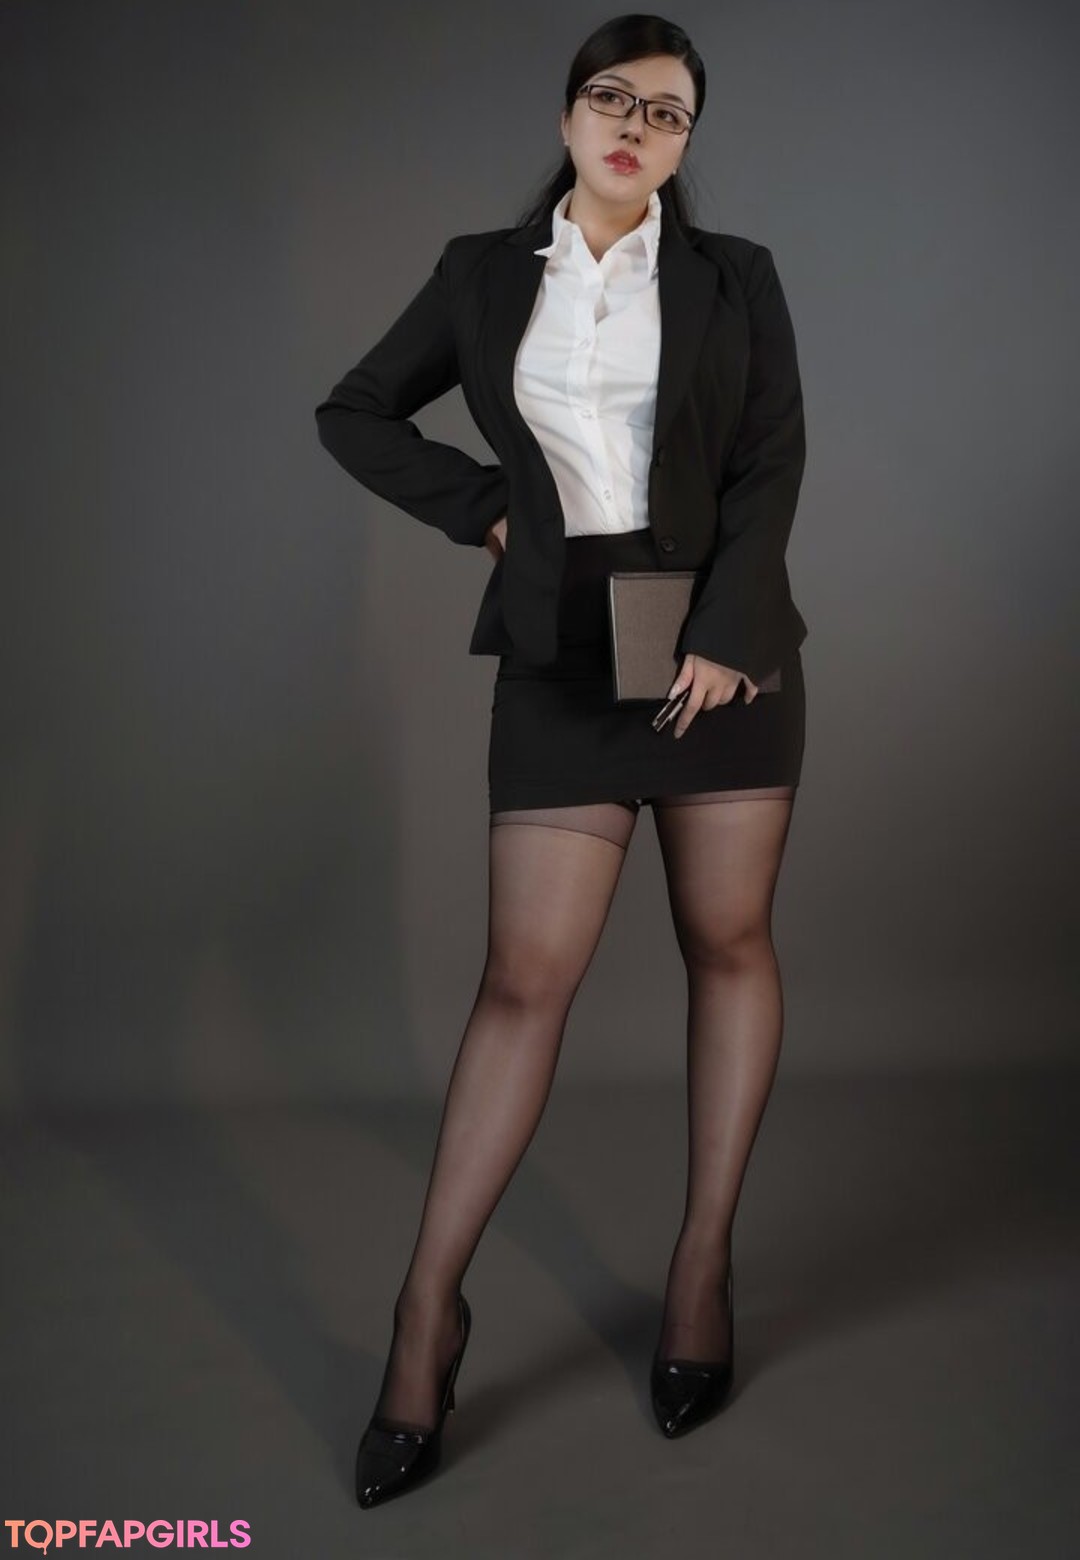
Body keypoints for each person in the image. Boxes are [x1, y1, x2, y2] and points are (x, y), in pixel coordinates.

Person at [315, 12, 809, 1509]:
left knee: (727, 942)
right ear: (568, 115)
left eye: (667, 113)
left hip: (714, 640)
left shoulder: (735, 276)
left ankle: (702, 1265)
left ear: (686, 140)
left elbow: (771, 459)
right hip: (563, 642)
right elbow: (355, 412)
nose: (635, 129)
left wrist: (727, 629)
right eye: (613, 99)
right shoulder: (482, 273)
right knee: (523, 981)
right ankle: (426, 1312)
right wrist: (484, 508)